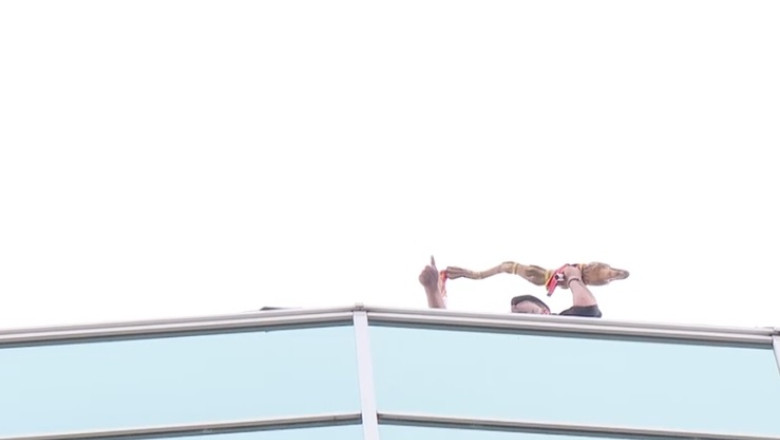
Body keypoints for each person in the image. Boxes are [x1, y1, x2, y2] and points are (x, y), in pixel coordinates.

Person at [418, 256, 603, 317]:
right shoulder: (504, 341)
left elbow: (588, 309)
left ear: (546, 313)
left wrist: (573, 278)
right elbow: (446, 336)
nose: (523, 320)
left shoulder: (559, 330)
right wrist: (432, 289)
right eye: (518, 316)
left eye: (530, 314)